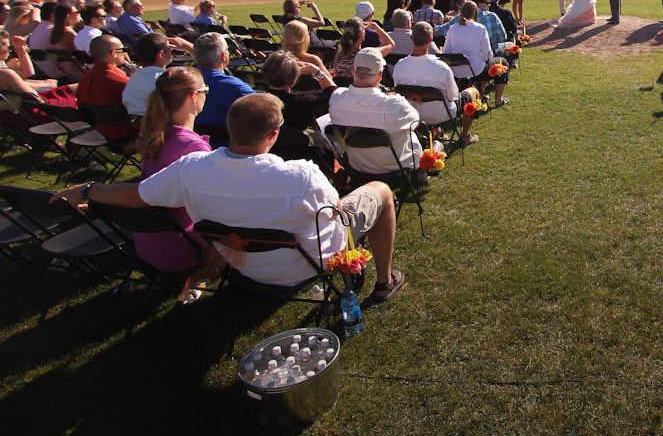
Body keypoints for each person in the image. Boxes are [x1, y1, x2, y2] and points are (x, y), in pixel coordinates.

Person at [54, 93, 406, 300]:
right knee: (381, 192)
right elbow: (333, 213)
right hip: (303, 265)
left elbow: (140, 195)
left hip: (245, 266)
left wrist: (88, 190)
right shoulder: (300, 174)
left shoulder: (190, 168)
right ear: (273, 135)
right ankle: (384, 281)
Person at [130, 66, 213, 272]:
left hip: (146, 241)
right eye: (205, 90)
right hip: (179, 247)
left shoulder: (157, 135)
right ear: (194, 96)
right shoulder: (192, 147)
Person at [328, 47, 423, 174]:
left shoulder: (336, 99)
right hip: (396, 164)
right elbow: (415, 122)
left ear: (353, 70)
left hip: (358, 165)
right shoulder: (395, 105)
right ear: (380, 75)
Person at [392, 22, 482, 145]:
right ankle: (465, 136)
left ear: (412, 38)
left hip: (411, 113)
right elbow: (453, 96)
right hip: (440, 113)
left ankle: (437, 133)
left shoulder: (400, 66)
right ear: (431, 41)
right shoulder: (441, 67)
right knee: (473, 92)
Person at [76, 35, 139, 142]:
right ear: (113, 53)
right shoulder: (121, 81)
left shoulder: (84, 78)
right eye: (123, 50)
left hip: (98, 129)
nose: (125, 53)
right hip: (125, 132)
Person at [444, 1, 508, 106]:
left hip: (456, 71)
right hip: (476, 71)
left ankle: (480, 92)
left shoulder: (453, 28)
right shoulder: (480, 28)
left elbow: (446, 52)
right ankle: (498, 100)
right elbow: (487, 55)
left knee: (483, 64)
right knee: (502, 62)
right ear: (475, 13)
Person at [193, 32, 256, 129]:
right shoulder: (236, 87)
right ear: (224, 56)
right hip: (226, 142)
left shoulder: (181, 81)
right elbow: (263, 110)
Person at [262, 50, 335, 128]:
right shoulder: (303, 101)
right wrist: (315, 70)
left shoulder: (258, 102)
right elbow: (333, 93)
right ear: (294, 78)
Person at [123, 33, 173, 117]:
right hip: (165, 127)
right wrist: (189, 47)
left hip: (137, 126)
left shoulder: (133, 80)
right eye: (169, 48)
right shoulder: (169, 80)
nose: (171, 49)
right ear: (161, 54)